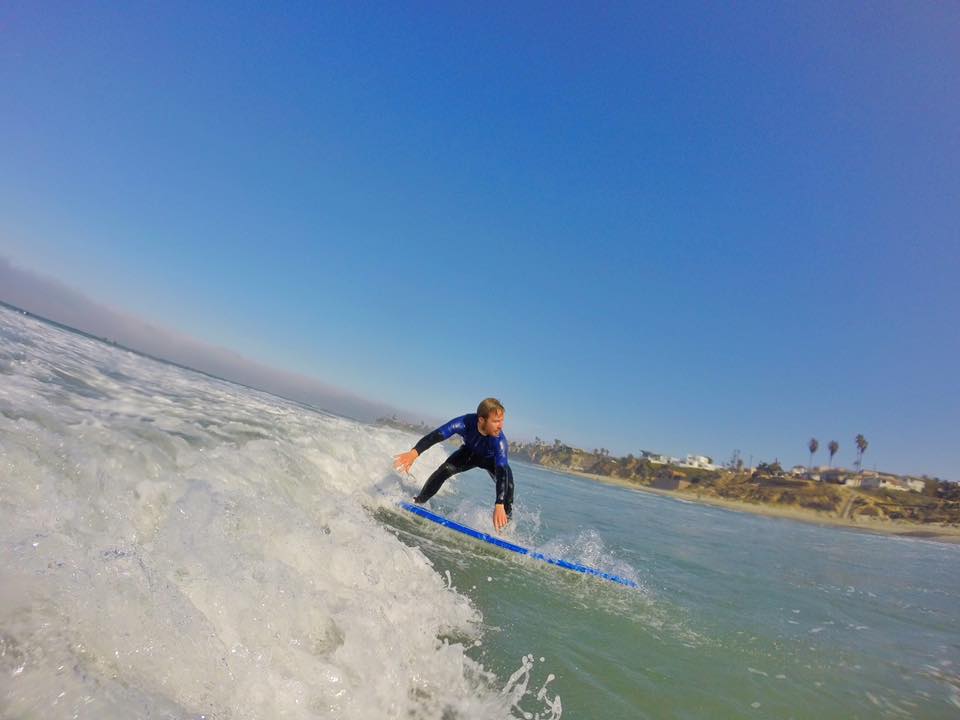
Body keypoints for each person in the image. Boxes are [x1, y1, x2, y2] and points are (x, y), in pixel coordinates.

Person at [393, 398, 514, 531]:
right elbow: (437, 435)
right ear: (481, 420)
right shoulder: (464, 423)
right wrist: (414, 453)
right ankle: (418, 502)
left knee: (507, 487)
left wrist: (499, 503)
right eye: (496, 421)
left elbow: (501, 470)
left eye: (502, 421)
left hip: (492, 461)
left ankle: (503, 531)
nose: (501, 425)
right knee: (445, 470)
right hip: (469, 453)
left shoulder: (500, 441)